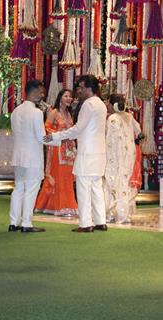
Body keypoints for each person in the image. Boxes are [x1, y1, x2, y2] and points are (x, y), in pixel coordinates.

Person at [44, 75, 107, 232]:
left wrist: (56, 136)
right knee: (96, 187)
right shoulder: (101, 104)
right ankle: (101, 221)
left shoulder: (88, 105)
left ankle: (85, 224)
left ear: (88, 88)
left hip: (87, 152)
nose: (78, 91)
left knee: (84, 187)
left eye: (80, 88)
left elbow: (78, 129)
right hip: (99, 152)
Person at [8, 80, 60, 233]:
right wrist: (58, 139)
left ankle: (13, 222)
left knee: (18, 188)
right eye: (41, 92)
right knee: (31, 189)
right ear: (35, 92)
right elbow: (41, 137)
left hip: (18, 156)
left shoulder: (16, 111)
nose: (42, 95)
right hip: (32, 157)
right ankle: (26, 223)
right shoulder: (37, 113)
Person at [35, 89, 78, 216]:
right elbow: (47, 129)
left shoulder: (70, 114)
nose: (69, 99)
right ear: (60, 97)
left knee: (68, 177)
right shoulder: (54, 112)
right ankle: (56, 205)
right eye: (66, 96)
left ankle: (68, 204)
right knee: (58, 176)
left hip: (69, 150)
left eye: (70, 97)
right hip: (57, 149)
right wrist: (59, 137)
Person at [104, 94, 142, 223]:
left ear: (113, 104)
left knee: (113, 181)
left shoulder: (112, 118)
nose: (107, 105)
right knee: (125, 182)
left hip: (115, 155)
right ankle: (124, 214)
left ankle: (112, 214)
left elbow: (109, 140)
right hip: (129, 156)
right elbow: (139, 132)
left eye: (108, 102)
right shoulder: (129, 117)